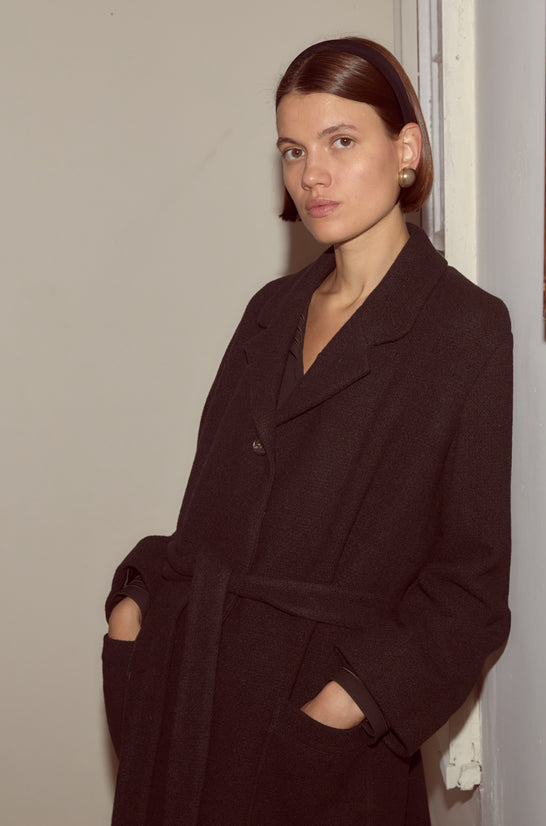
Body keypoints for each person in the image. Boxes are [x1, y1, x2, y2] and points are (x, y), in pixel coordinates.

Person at [103, 36, 513, 826]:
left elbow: (468, 590)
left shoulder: (465, 331)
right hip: (191, 698)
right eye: (293, 150)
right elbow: (205, 515)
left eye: (341, 142)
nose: (310, 174)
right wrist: (136, 609)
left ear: (406, 150)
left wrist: (348, 703)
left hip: (325, 737)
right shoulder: (270, 311)